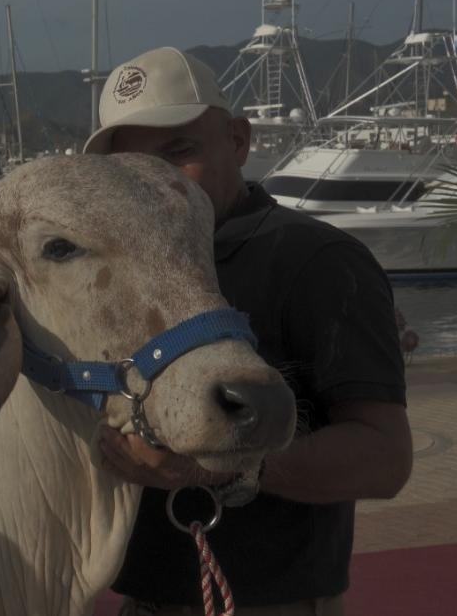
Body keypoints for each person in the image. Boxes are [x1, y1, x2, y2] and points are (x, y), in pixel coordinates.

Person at [85, 47, 413, 615]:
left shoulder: (319, 260)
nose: (155, 182)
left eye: (178, 151)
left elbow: (386, 458)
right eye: (130, 167)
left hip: (270, 602)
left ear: (238, 140)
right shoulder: (115, 277)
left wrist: (213, 470)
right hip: (139, 600)